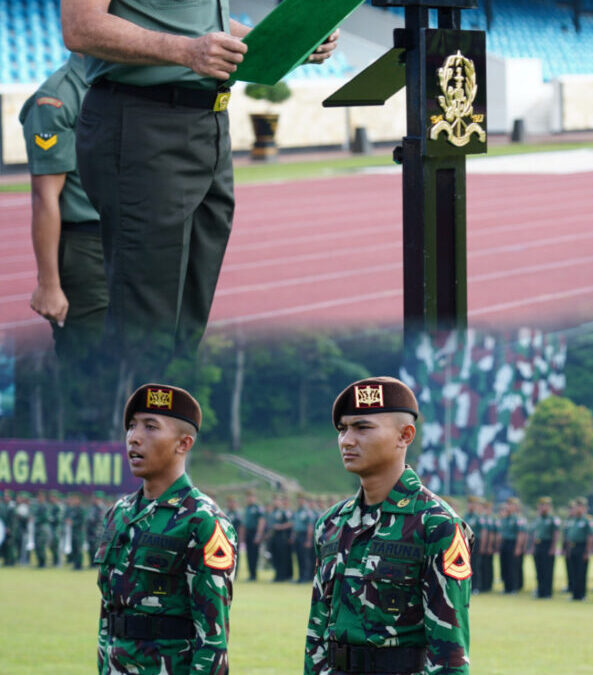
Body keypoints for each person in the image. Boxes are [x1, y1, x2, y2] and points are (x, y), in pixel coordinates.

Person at [61, 2, 339, 376]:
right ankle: (129, 428)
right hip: (145, 121)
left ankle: (169, 426)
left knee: (187, 323)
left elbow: (210, 25)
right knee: (145, 320)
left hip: (208, 122)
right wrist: (186, 51)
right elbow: (80, 27)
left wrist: (293, 44)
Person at [304, 376, 471, 674]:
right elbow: (317, 632)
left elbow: (449, 652)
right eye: (343, 429)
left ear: (405, 436)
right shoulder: (331, 523)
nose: (347, 440)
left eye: (362, 427)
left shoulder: (436, 524)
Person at [95, 383, 236, 674]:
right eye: (132, 426)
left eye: (150, 427)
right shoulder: (118, 514)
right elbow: (108, 611)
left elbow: (213, 639)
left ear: (183, 444)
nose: (134, 438)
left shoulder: (203, 520)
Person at [18, 53, 108, 374]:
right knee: (87, 364)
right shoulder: (56, 98)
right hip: (86, 250)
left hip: (131, 240)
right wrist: (49, 284)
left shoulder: (123, 85)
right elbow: (45, 198)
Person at [531, 496, 560, 599]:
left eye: (546, 505)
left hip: (547, 545)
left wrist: (553, 548)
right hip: (538, 545)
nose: (543, 507)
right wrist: (533, 547)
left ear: (550, 507)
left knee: (547, 570)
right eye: (542, 505)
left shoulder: (553, 519)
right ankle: (540, 591)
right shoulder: (538, 519)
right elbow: (535, 534)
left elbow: (556, 534)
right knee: (539, 570)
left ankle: (547, 592)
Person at [564, 498, 592, 601]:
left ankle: (581, 594)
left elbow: (590, 536)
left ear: (584, 508)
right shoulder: (571, 520)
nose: (578, 509)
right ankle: (574, 594)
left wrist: (587, 551)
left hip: (582, 547)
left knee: (581, 572)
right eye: (576, 507)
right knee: (573, 572)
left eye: (580, 506)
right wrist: (567, 549)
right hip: (572, 547)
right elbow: (568, 536)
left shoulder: (587, 520)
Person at [242, 489, 266, 581]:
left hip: (254, 533)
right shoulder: (247, 508)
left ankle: (254, 575)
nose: (249, 499)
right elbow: (244, 523)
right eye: (247, 497)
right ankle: (251, 574)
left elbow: (261, 521)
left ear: (254, 498)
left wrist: (258, 535)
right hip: (248, 533)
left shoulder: (257, 508)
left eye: (251, 497)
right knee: (249, 555)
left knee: (254, 555)